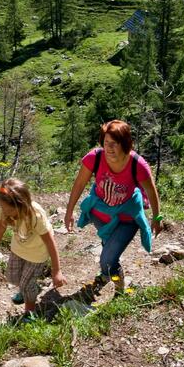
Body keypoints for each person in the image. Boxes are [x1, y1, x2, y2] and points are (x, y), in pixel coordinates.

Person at [63, 120, 164, 294]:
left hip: (127, 217)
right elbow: (79, 184)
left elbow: (151, 191)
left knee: (108, 258)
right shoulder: (95, 158)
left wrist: (156, 217)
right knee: (109, 251)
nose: (109, 148)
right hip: (100, 214)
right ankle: (107, 275)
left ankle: (119, 287)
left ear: (125, 144)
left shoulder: (137, 165)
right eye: (106, 143)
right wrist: (69, 211)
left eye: (114, 144)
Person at [0, 177, 67, 318]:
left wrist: (57, 271)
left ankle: (30, 313)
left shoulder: (35, 216)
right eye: (2, 207)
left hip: (37, 253)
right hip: (19, 248)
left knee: (27, 284)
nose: (4, 212)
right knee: (12, 277)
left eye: (8, 210)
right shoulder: (5, 210)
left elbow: (50, 242)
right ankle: (28, 290)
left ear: (20, 206)